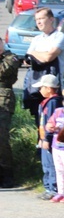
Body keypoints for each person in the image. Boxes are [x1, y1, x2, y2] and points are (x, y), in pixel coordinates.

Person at [23, 8, 64, 123]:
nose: (38, 22)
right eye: (37, 19)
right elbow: (26, 60)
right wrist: (40, 54)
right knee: (39, 123)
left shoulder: (59, 36)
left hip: (52, 88)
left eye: (42, 18)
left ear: (51, 19)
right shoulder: (37, 39)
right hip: (37, 86)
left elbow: (49, 57)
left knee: (52, 122)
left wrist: (34, 53)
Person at [34, 74, 64, 200]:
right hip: (43, 138)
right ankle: (48, 187)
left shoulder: (53, 102)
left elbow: (51, 122)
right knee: (45, 164)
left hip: (50, 139)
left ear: (49, 88)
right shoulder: (46, 102)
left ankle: (53, 188)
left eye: (41, 87)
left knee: (51, 164)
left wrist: (47, 138)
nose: (39, 90)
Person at [0, 40, 23, 188]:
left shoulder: (11, 57)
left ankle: (6, 174)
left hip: (3, 99)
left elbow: (3, 70)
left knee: (1, 138)